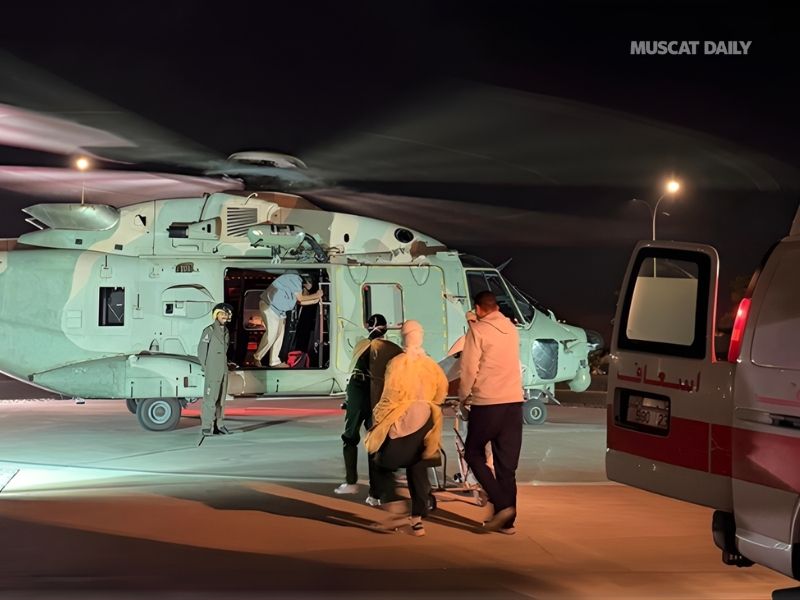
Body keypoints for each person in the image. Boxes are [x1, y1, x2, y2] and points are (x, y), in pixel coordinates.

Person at [365, 320, 448, 537]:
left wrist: (378, 417)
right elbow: (442, 390)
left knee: (382, 462)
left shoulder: (398, 363)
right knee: (418, 470)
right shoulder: (431, 364)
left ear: (403, 337)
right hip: (427, 419)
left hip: (405, 419)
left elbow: (390, 395)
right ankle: (417, 521)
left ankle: (395, 509)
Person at [459, 290, 524, 533]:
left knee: (473, 453)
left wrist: (463, 398)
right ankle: (507, 522)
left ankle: (501, 503)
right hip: (513, 404)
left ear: (478, 308)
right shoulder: (511, 329)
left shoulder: (478, 331)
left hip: (487, 403)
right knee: (507, 466)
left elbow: (468, 369)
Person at [334, 314, 403, 505]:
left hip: (362, 390)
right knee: (373, 440)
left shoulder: (367, 345)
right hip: (372, 393)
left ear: (368, 326)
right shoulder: (390, 348)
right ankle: (374, 492)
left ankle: (355, 483)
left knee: (354, 437)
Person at [253, 272, 323, 367]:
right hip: (270, 306)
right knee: (272, 334)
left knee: (279, 336)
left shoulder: (293, 290)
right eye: (307, 292)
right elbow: (301, 298)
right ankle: (257, 357)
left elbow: (300, 302)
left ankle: (274, 361)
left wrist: (316, 300)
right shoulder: (295, 279)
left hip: (279, 312)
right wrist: (317, 295)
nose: (307, 294)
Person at [197, 302, 234, 436]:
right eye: (222, 313)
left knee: (221, 399)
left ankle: (219, 425)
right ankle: (206, 426)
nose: (225, 316)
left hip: (223, 370)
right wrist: (207, 368)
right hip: (212, 370)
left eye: (227, 314)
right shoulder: (209, 331)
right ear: (216, 315)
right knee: (210, 399)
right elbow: (202, 352)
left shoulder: (226, 332)